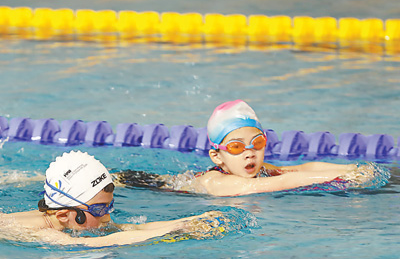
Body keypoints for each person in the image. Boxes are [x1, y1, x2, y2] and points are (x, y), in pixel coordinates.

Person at [115, 100, 386, 197]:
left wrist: (352, 169)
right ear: (217, 156)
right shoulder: (219, 183)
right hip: (149, 185)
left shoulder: (258, 168)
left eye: (257, 143)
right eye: (236, 147)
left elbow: (296, 169)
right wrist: (337, 177)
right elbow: (278, 184)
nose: (249, 153)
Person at [0, 151, 226, 247]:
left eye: (109, 206)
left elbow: (132, 228)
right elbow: (98, 243)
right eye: (99, 209)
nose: (107, 216)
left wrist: (190, 221)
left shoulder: (68, 215)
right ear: (64, 215)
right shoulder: (45, 233)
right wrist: (172, 232)